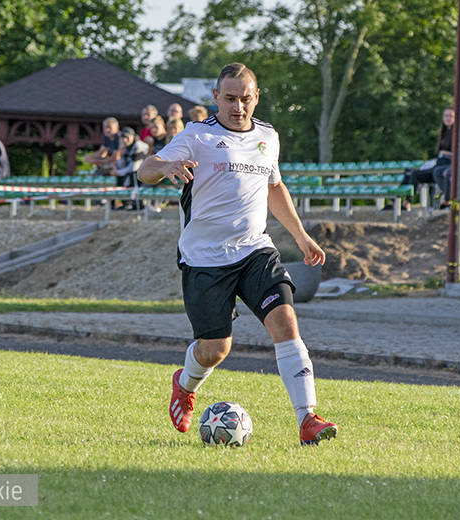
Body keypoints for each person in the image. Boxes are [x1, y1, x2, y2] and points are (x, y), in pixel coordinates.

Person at [137, 62, 338, 446]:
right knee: (215, 349)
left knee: (287, 324)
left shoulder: (268, 136)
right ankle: (184, 383)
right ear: (215, 97)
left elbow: (274, 188)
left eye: (246, 99)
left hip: (255, 250)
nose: (238, 107)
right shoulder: (197, 135)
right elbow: (146, 169)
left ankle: (307, 419)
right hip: (205, 259)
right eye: (229, 99)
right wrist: (168, 166)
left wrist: (300, 235)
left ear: (256, 97)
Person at [402, 106, 455, 211]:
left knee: (435, 172)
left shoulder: (457, 133)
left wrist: (444, 153)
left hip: (448, 164)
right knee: (412, 173)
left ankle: (447, 201)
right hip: (439, 163)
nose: (448, 118)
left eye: (451, 116)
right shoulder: (443, 133)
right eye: (446, 116)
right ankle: (404, 202)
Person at [113, 127, 149, 211]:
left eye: (126, 137)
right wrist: (120, 155)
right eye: (122, 138)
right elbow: (122, 165)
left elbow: (134, 167)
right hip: (135, 172)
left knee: (130, 178)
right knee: (120, 179)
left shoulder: (139, 145)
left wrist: (117, 172)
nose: (124, 140)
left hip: (144, 172)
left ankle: (137, 204)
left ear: (133, 137)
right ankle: (125, 203)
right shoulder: (126, 147)